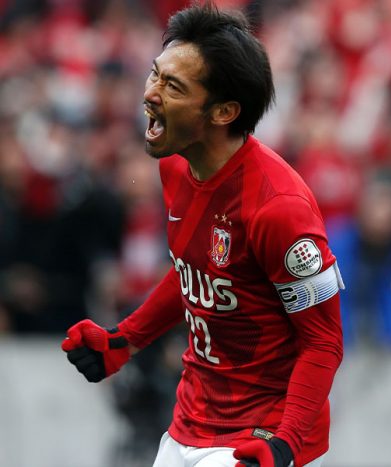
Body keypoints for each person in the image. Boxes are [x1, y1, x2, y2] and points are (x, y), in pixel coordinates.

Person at [61, 4, 344, 467]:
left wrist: (284, 444)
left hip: (258, 439)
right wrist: (125, 340)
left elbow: (324, 342)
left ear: (224, 111)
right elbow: (195, 271)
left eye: (173, 87)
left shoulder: (279, 209)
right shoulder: (177, 165)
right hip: (187, 425)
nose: (150, 93)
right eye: (155, 74)